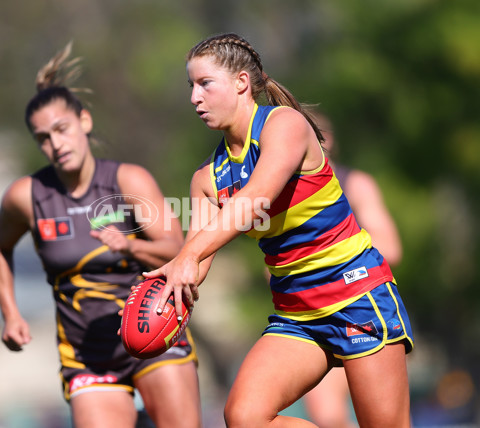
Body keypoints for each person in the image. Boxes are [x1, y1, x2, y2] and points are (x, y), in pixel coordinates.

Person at [145, 33, 414, 427]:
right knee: (245, 417)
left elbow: (254, 199)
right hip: (296, 313)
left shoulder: (284, 125)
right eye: (191, 86)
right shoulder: (206, 178)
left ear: (241, 82)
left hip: (356, 295)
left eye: (205, 84)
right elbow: (196, 262)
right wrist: (159, 296)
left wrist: (186, 256)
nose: (194, 98)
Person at [0, 42, 201, 428]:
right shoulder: (26, 196)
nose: (56, 144)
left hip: (154, 331)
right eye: (43, 138)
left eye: (61, 129)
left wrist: (130, 244)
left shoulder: (127, 180)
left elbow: (178, 250)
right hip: (86, 353)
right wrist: (10, 313)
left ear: (84, 122)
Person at [301, 112, 404, 428]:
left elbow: (391, 247)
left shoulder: (354, 183)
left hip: (363, 309)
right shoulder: (283, 193)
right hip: (312, 319)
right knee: (327, 418)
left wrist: (327, 258)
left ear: (325, 141)